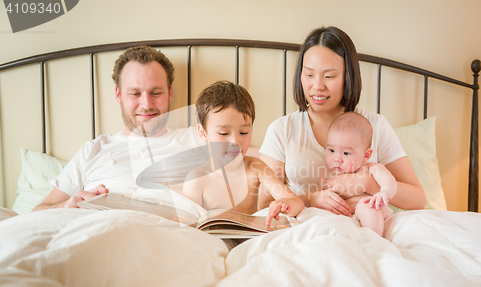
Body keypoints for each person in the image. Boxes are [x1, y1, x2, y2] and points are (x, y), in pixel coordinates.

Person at [259, 26, 426, 215]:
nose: (318, 86)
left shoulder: (375, 126)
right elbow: (264, 205)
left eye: (329, 76)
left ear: (348, 77)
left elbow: (418, 199)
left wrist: (368, 183)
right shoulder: (282, 130)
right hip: (305, 229)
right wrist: (311, 199)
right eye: (309, 75)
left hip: (366, 227)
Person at [34, 46, 204, 211]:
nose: (146, 104)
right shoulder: (94, 149)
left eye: (156, 93)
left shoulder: (198, 138)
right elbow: (37, 212)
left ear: (170, 93)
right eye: (135, 94)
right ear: (118, 94)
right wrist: (66, 205)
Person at [182, 80, 305, 225]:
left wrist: (284, 204)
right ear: (203, 133)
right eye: (223, 133)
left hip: (248, 240)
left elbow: (296, 203)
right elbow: (187, 227)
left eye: (243, 132)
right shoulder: (196, 180)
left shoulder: (256, 167)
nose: (235, 141)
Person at [319, 112, 396, 235]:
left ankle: (372, 239)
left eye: (346, 153)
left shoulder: (370, 168)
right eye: (331, 150)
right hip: (344, 219)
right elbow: (322, 200)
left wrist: (385, 191)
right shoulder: (326, 175)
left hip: (371, 215)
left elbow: (387, 178)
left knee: (367, 206)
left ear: (366, 155)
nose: (336, 159)